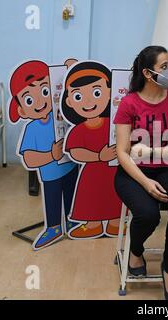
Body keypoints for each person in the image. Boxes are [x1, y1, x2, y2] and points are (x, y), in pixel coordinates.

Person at [113, 46, 168, 300]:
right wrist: (146, 183)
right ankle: (135, 251)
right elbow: (123, 153)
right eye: (164, 67)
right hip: (132, 173)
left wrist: (150, 152)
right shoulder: (129, 103)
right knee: (148, 215)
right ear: (148, 74)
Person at [9, 60, 79, 250]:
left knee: (72, 196)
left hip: (71, 166)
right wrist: (51, 155)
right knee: (53, 199)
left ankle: (72, 221)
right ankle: (54, 227)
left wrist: (71, 69)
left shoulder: (64, 115)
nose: (40, 101)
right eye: (29, 99)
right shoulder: (32, 129)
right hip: (50, 175)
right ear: (22, 110)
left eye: (45, 90)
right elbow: (29, 158)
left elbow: (77, 95)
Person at [61, 61, 123, 239]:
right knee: (91, 196)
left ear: (110, 92)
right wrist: (98, 156)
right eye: (79, 96)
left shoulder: (113, 124)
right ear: (69, 101)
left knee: (114, 194)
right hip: (92, 172)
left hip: (113, 170)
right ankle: (93, 224)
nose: (88, 101)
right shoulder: (79, 129)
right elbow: (75, 152)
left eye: (97, 92)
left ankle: (115, 223)